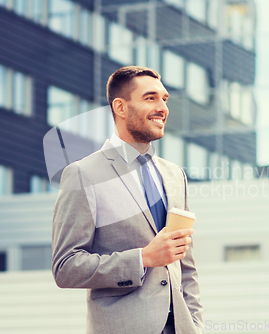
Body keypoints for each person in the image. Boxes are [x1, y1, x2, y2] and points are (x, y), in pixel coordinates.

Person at [51, 66, 204, 334]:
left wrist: (197, 327)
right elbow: (66, 267)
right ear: (120, 107)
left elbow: (186, 266)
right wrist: (143, 258)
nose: (162, 108)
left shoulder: (175, 175)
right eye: (150, 98)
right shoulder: (83, 173)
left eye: (164, 99)